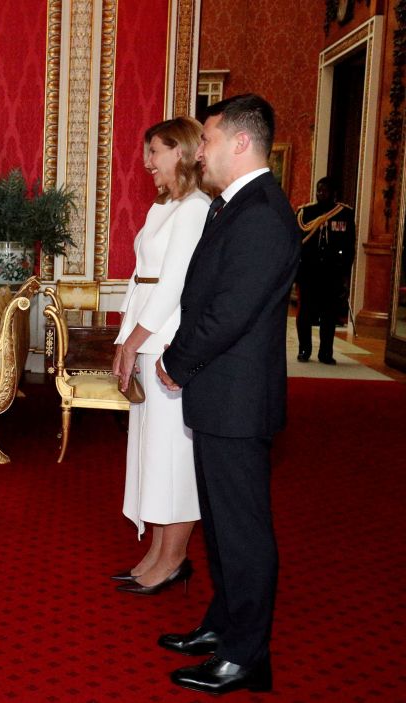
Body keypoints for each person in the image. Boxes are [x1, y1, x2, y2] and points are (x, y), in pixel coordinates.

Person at [155, 94, 300, 695]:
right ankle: (223, 623)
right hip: (220, 395)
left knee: (243, 531)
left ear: (241, 143)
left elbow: (229, 312)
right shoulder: (232, 206)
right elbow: (204, 296)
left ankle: (246, 655)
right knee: (218, 524)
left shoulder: (262, 211)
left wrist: (176, 361)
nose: (201, 152)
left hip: (237, 399)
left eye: (208, 141)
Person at [111, 117, 209, 595]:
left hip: (168, 339)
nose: (147, 162)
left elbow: (172, 286)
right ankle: (156, 553)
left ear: (182, 152)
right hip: (145, 333)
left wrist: (134, 341)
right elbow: (139, 277)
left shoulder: (196, 208)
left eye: (155, 151)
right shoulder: (164, 206)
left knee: (175, 455)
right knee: (154, 451)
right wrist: (123, 339)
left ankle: (173, 561)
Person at [295, 176, 356, 364]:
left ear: (334, 193)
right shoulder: (305, 213)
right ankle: (304, 350)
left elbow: (348, 247)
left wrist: (345, 274)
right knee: (304, 313)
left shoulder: (344, 214)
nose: (320, 194)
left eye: (324, 190)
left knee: (329, 315)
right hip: (309, 272)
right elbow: (297, 243)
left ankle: (325, 353)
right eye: (318, 190)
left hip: (332, 273)